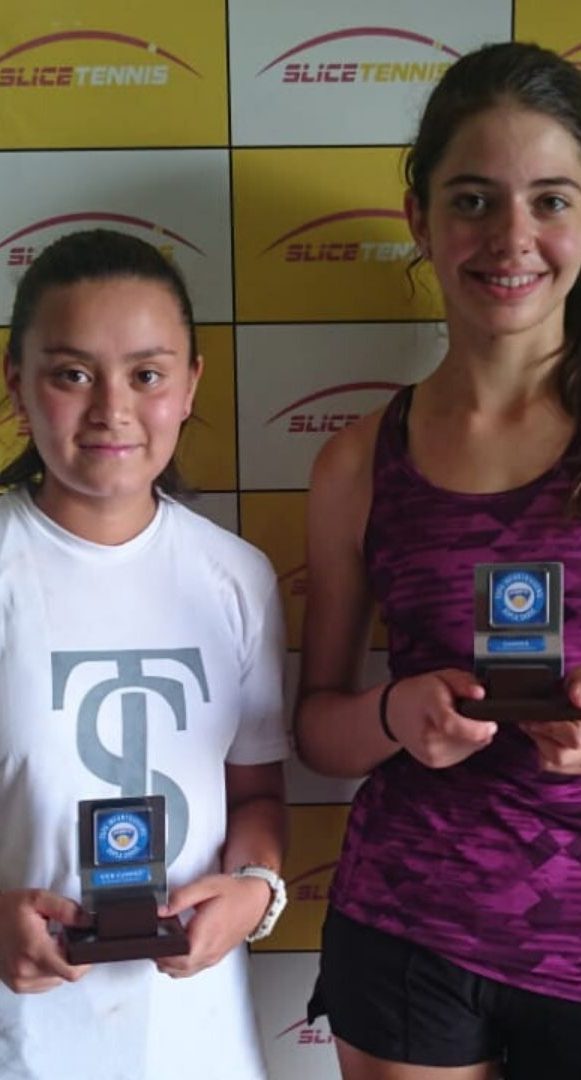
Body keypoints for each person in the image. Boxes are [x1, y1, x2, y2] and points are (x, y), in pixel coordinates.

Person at [295, 41, 581, 1080]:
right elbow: (317, 730)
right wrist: (394, 715)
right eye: (472, 200)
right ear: (417, 218)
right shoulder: (358, 460)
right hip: (406, 934)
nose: (511, 237)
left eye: (550, 200)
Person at [0, 228, 288, 1080]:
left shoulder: (236, 578)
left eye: (147, 375)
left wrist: (254, 889)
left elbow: (257, 793)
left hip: (194, 1043)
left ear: (190, 385)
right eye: (72, 374)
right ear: (17, 383)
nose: (111, 409)